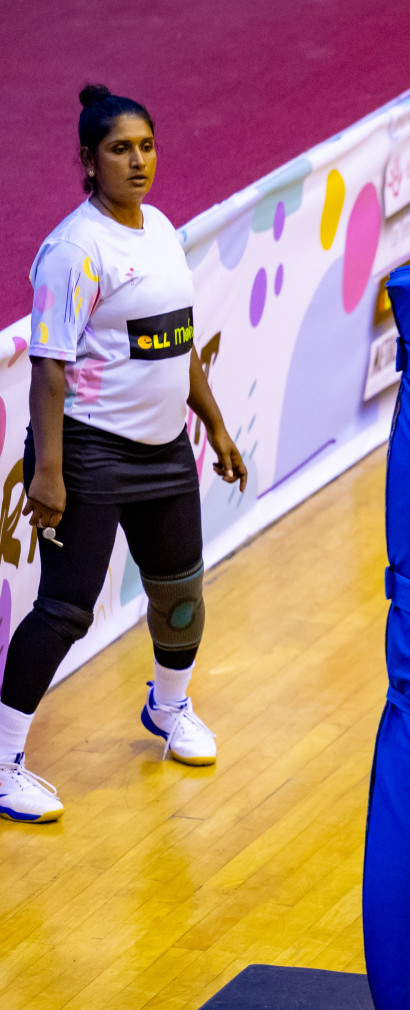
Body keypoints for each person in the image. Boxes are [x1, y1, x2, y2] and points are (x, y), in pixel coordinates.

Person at [0, 85, 248, 824]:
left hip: (165, 447)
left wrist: (218, 426)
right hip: (88, 450)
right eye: (119, 149)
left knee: (180, 591)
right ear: (87, 160)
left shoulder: (162, 228)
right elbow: (49, 368)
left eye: (145, 146)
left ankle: (169, 711)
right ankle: (3, 757)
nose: (137, 161)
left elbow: (177, 343)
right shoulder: (74, 251)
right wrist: (49, 472)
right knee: (66, 609)